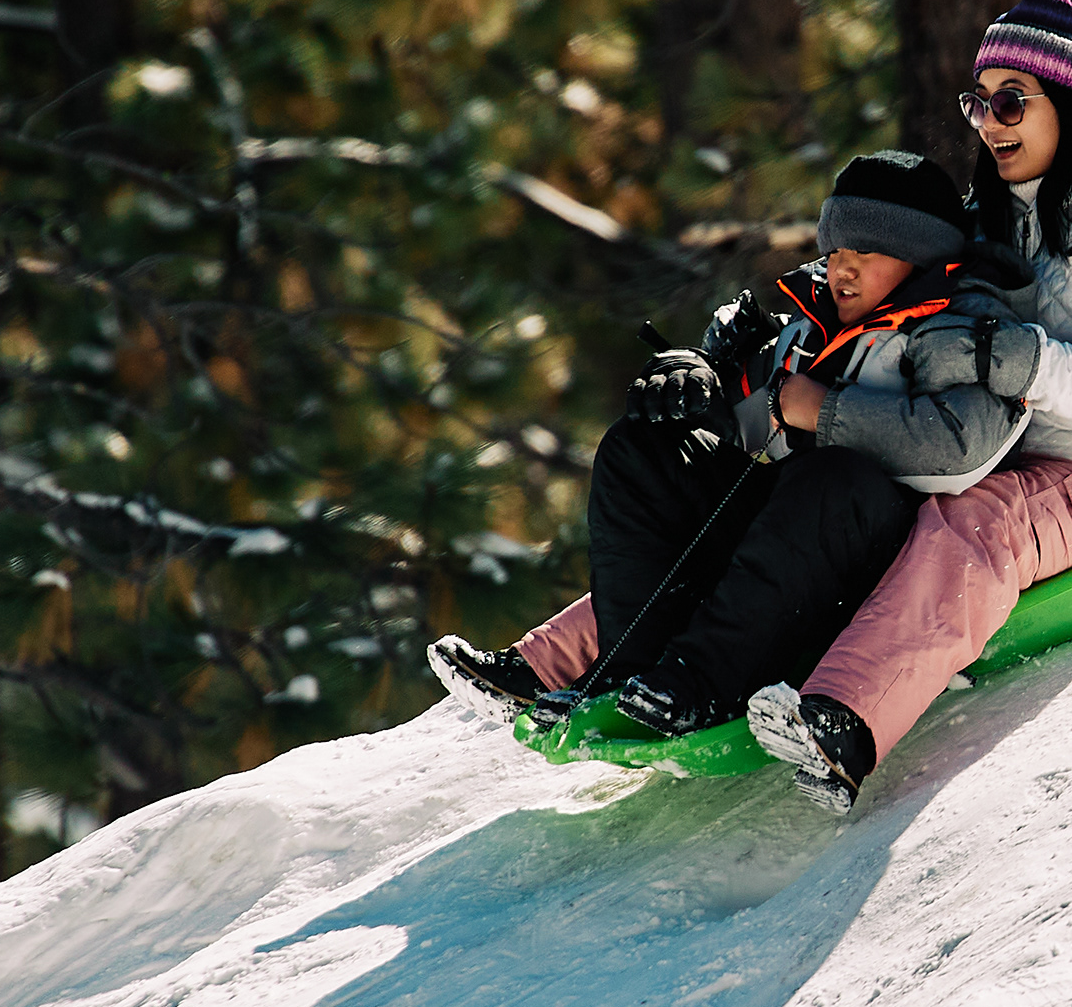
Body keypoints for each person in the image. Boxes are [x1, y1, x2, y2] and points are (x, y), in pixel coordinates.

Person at [745, 0, 1072, 815]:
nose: (989, 123)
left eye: (1011, 101)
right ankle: (652, 662)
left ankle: (844, 725)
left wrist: (1004, 354)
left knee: (973, 526)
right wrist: (771, 317)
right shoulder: (1002, 203)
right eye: (980, 101)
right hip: (1014, 447)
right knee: (848, 493)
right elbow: (906, 278)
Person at [430, 149, 1038, 740]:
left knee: (828, 477)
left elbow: (960, 447)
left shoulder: (960, 325)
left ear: (920, 254)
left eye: (868, 251)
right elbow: (751, 418)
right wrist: (694, 381)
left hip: (880, 553)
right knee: (641, 449)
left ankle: (701, 681)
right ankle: (629, 669)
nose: (842, 268)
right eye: (836, 250)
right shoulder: (817, 321)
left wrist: (817, 410)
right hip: (790, 539)